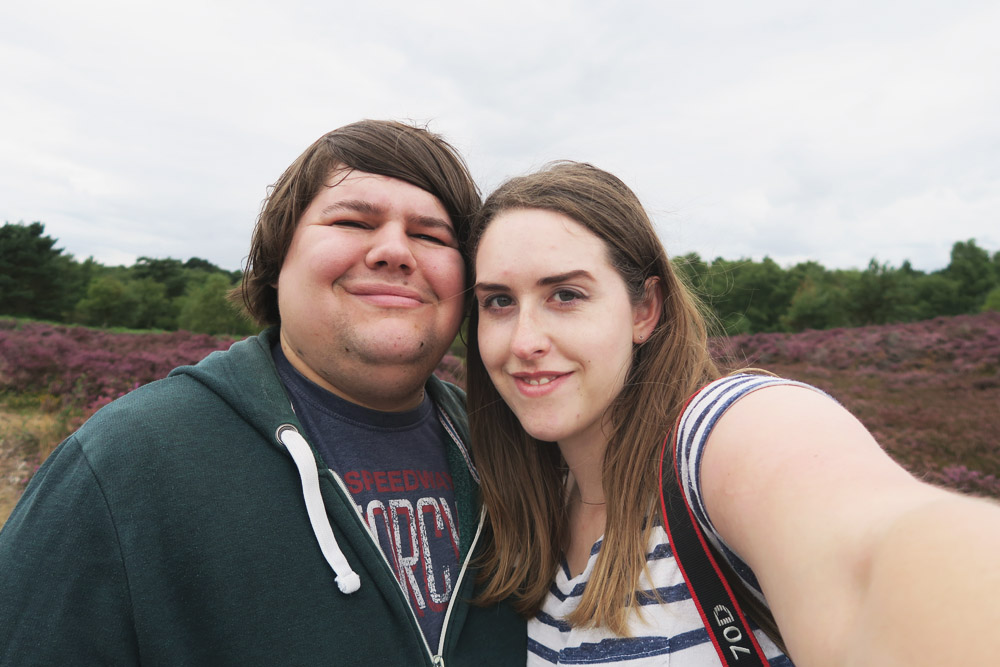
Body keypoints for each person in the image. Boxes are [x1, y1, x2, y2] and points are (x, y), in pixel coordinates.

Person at [0, 120, 525, 666]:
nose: (394, 251)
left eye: (431, 235)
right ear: (276, 263)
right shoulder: (124, 462)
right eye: (351, 220)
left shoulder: (516, 450)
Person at [464, 160, 1000, 666]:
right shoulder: (527, 511)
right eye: (499, 302)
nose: (525, 341)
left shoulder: (720, 439)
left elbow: (883, 559)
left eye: (565, 294)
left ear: (644, 310)